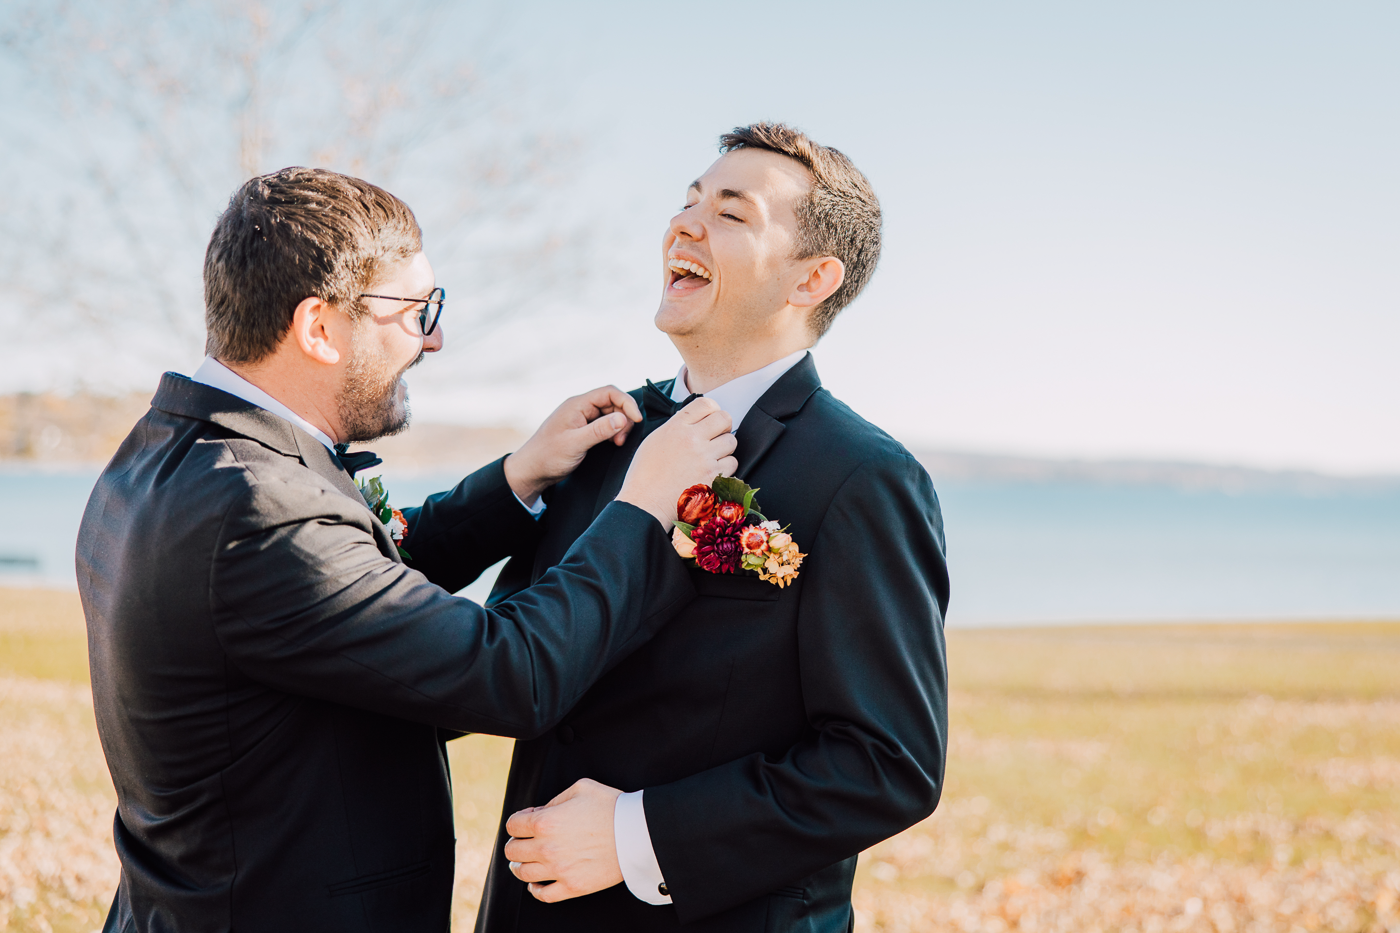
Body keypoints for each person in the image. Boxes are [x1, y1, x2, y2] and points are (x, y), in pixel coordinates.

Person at [77, 166, 738, 933]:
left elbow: (344, 590)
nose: (433, 336)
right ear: (319, 329)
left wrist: (518, 478)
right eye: (413, 309)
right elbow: (510, 671)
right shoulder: (257, 509)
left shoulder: (170, 453)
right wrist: (642, 505)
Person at [477, 123, 950, 933]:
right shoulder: (602, 439)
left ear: (813, 278)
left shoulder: (862, 477)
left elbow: (885, 764)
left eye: (731, 213)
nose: (684, 223)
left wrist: (637, 835)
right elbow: (507, 660)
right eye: (688, 200)